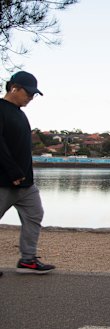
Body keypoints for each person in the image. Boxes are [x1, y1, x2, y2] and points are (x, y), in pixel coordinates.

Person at [0, 71, 56, 276]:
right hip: (4, 181)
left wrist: (24, 175)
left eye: (34, 94)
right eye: (29, 93)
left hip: (25, 184)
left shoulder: (20, 113)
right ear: (14, 88)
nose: (31, 97)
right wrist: (13, 171)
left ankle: (28, 260)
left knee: (35, 215)